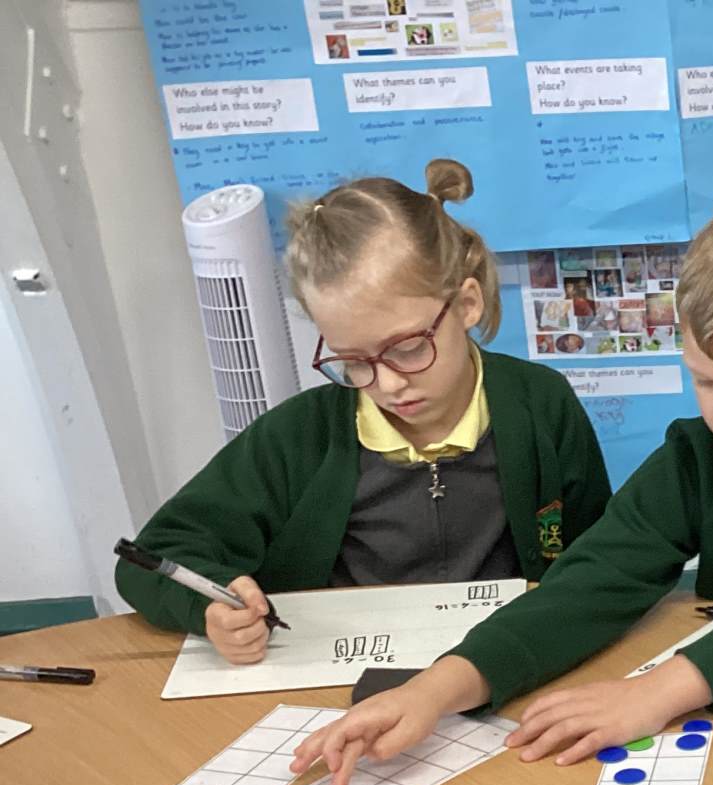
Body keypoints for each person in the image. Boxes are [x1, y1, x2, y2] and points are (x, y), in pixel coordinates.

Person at [293, 174, 713, 785]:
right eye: (706, 381)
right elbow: (592, 580)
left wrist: (657, 691)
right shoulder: (697, 457)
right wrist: (435, 689)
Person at [116, 158, 609, 663]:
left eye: (409, 348)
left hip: (500, 663)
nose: (388, 384)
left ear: (466, 304)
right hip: (341, 676)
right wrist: (209, 608)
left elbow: (597, 556)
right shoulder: (297, 436)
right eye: (353, 361)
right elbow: (154, 555)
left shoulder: (541, 403)